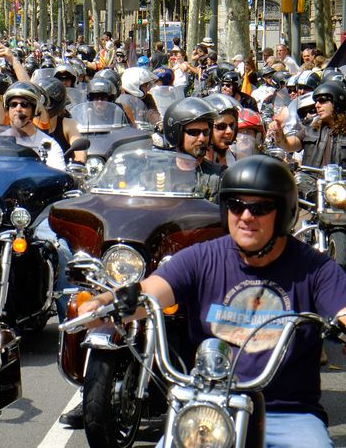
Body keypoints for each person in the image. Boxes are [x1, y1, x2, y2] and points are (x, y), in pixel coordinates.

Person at [77, 156, 346, 447]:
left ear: (284, 212)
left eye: (260, 208)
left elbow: (342, 309)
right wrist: (104, 303)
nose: (245, 216)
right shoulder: (202, 257)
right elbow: (149, 291)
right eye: (236, 205)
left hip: (288, 412)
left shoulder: (316, 269)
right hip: (206, 402)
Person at [271, 79, 346, 168]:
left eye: (322, 100)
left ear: (337, 102)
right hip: (312, 180)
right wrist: (278, 130)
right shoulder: (312, 129)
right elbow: (287, 145)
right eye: (316, 102)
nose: (317, 105)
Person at [162, 96, 224, 200]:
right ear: (176, 133)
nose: (202, 138)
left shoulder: (219, 177)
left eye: (206, 132)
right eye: (194, 132)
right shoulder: (157, 170)